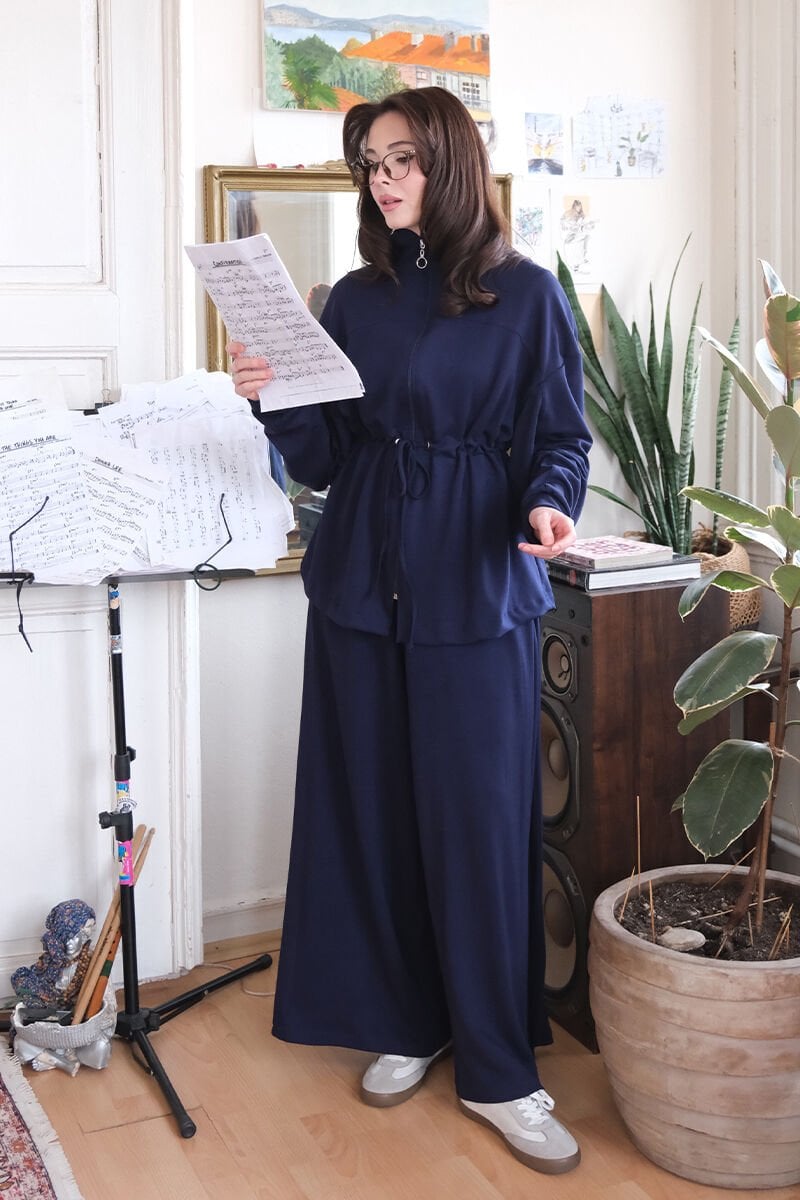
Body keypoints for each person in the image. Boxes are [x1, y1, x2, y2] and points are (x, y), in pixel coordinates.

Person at [229, 86, 591, 1176]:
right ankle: (406, 1020)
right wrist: (272, 396)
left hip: (475, 587)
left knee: (477, 831)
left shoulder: (527, 295)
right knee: (373, 817)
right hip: (358, 588)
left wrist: (549, 504)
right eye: (370, 165)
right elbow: (329, 457)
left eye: (401, 160)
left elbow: (560, 438)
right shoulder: (354, 298)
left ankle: (499, 1070)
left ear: (449, 162)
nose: (382, 180)